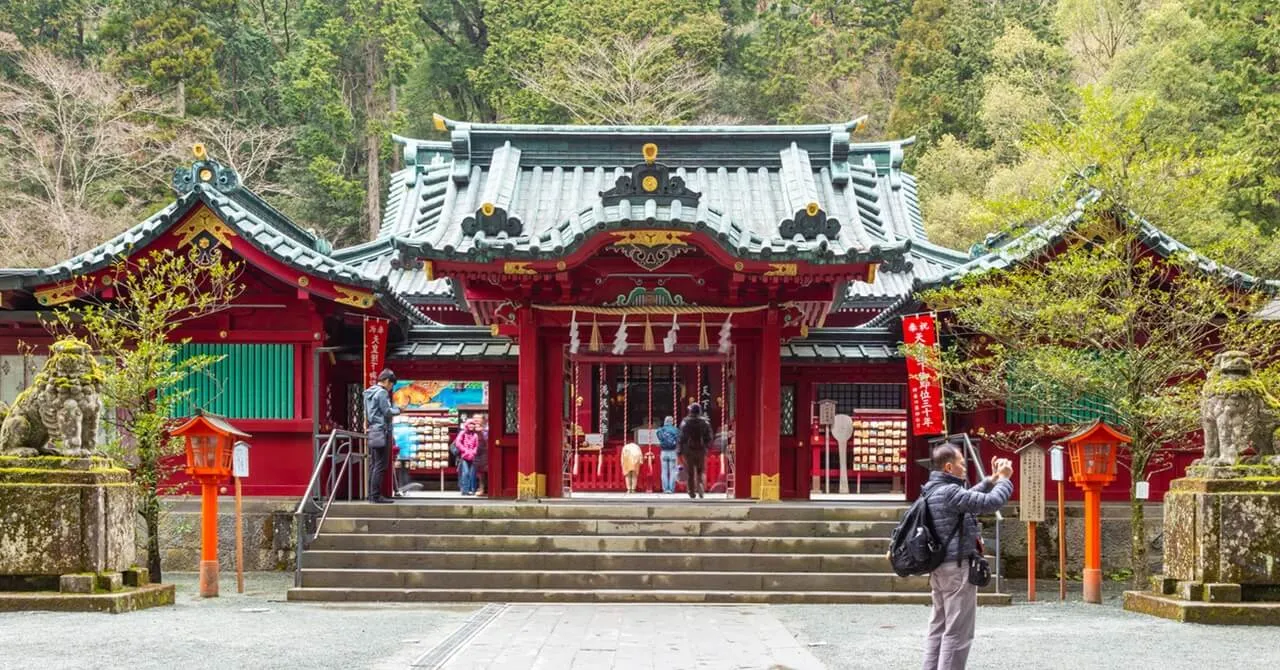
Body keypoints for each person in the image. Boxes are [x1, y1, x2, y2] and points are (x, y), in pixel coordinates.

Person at [921, 444, 1013, 670]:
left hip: (940, 568)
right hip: (957, 569)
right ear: (949, 467)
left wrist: (990, 480)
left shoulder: (932, 489)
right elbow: (990, 503)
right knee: (958, 632)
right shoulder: (949, 492)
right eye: (962, 463)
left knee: (939, 628)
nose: (965, 467)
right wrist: (1004, 480)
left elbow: (968, 498)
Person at [362, 369, 400, 504]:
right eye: (391, 385)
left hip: (373, 430)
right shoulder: (382, 392)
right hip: (382, 431)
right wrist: (399, 410)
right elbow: (387, 412)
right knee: (381, 464)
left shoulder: (369, 393)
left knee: (374, 464)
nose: (391, 388)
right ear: (387, 381)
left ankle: (372, 495)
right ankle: (376, 496)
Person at [678, 403, 713, 499]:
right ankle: (700, 485)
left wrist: (679, 451)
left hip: (688, 450)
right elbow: (709, 437)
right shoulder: (705, 422)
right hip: (701, 449)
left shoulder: (685, 422)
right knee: (700, 470)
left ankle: (691, 491)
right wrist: (706, 446)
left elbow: (681, 438)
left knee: (690, 472)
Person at [453, 418, 483, 496]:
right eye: (470, 424)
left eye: (473, 424)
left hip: (473, 456)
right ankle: (464, 490)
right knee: (465, 473)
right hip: (464, 456)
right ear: (467, 425)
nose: (471, 425)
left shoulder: (475, 435)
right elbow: (458, 443)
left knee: (473, 473)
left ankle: (472, 489)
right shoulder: (462, 433)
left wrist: (473, 452)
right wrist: (465, 450)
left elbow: (477, 445)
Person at [656, 416, 679, 493]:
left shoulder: (660, 430)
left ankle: (665, 489)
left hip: (664, 451)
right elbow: (678, 439)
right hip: (672, 451)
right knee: (672, 470)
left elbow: (659, 437)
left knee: (664, 471)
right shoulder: (675, 430)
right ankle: (671, 489)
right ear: (672, 421)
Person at [472, 415, 490, 497]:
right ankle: (481, 488)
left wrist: (480, 432)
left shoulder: (486, 430)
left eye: (478, 418)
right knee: (479, 473)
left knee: (486, 471)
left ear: (483, 420)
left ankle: (485, 488)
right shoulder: (470, 428)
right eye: (474, 418)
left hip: (486, 453)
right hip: (476, 453)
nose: (476, 420)